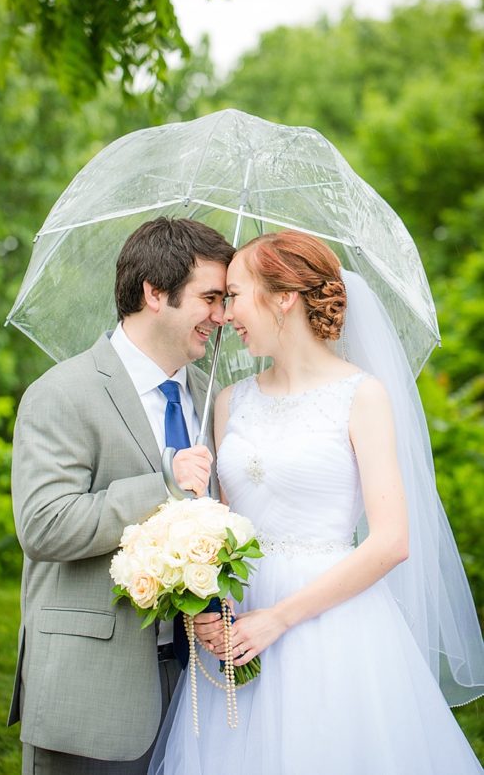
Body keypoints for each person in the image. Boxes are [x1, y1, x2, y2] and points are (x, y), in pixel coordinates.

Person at [149, 230, 484, 775]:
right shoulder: (232, 401)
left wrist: (277, 619)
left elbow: (391, 541)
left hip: (329, 620)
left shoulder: (362, 395)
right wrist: (213, 606)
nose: (224, 313)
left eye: (234, 295)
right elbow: (227, 531)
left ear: (284, 297)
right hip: (243, 617)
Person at [8, 217, 235, 775]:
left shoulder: (212, 400)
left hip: (196, 682)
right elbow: (43, 525)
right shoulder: (62, 393)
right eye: (210, 298)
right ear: (154, 293)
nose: (223, 316)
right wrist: (162, 487)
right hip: (93, 683)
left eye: (226, 300)